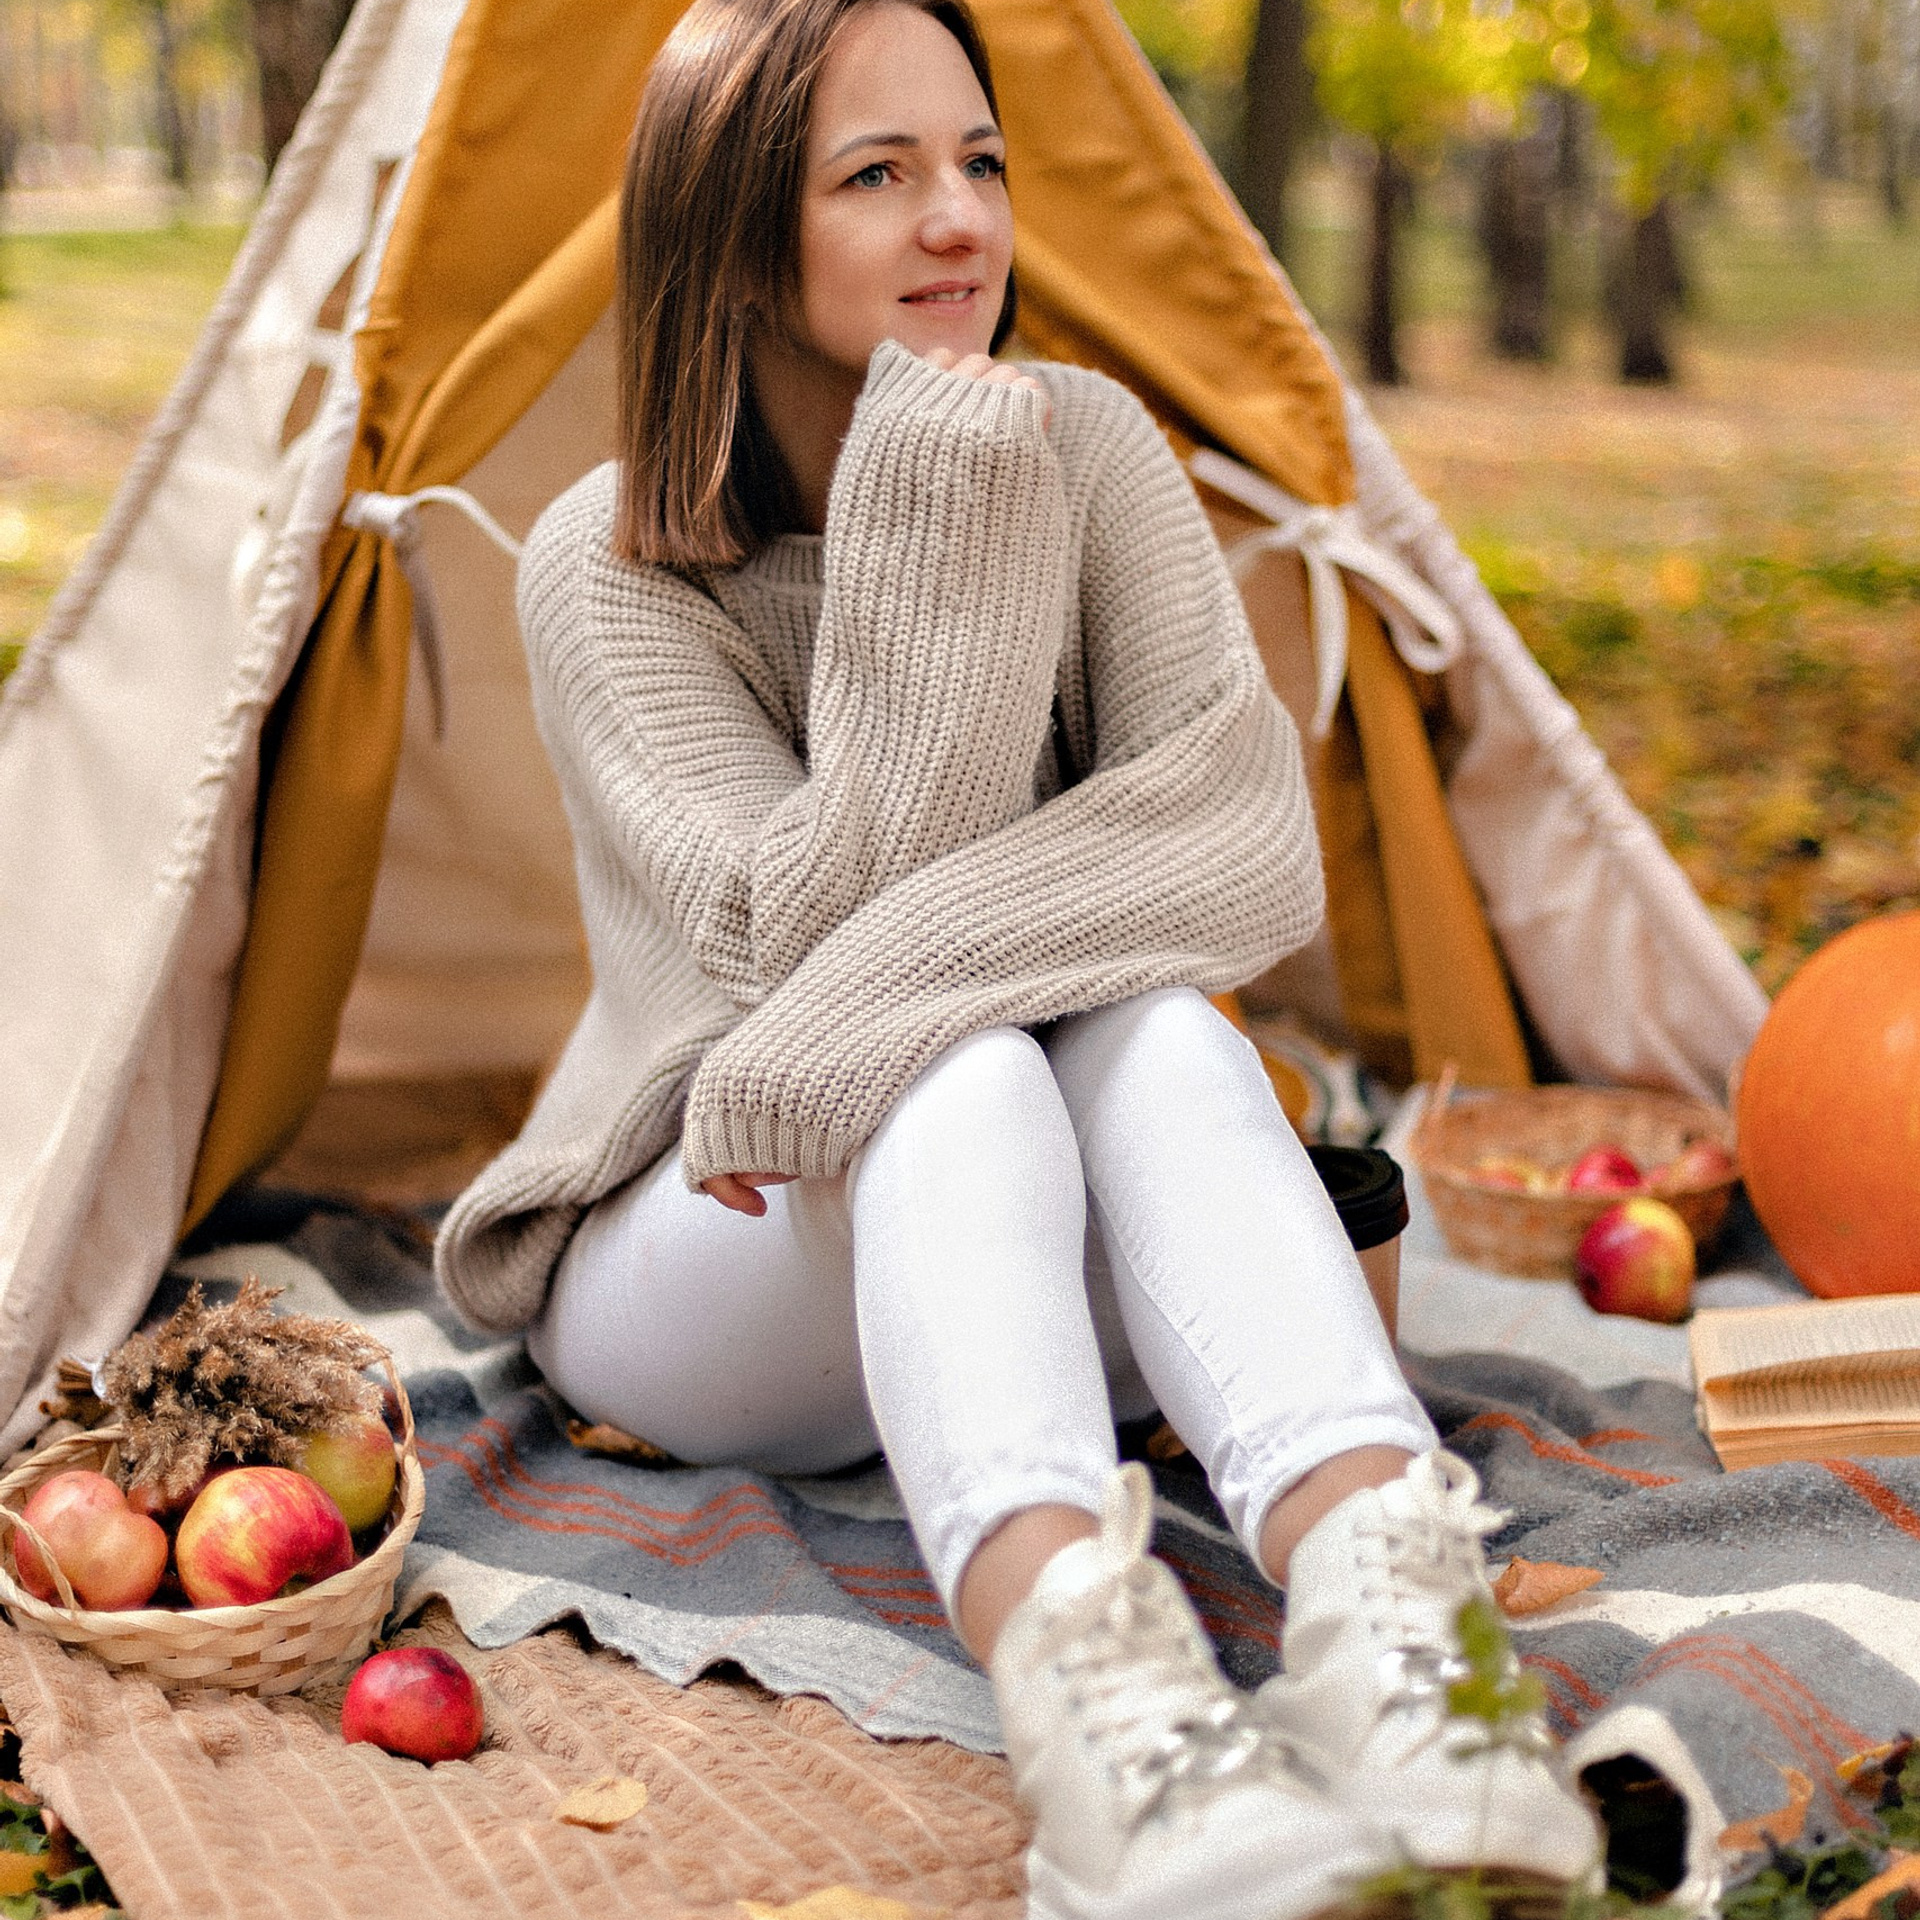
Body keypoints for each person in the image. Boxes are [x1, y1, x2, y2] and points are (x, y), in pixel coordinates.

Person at [434, 1, 1603, 1914]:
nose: (960, 221)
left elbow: (1238, 843)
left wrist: (882, 1003)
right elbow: (791, 946)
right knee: (964, 1063)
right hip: (702, 1237)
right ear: (734, 230)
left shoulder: (1098, 447)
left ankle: (1409, 1649)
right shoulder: (607, 561)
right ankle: (1101, 1732)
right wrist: (937, 517)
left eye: (979, 161)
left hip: (980, 1196)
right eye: (877, 176)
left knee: (1149, 1031)